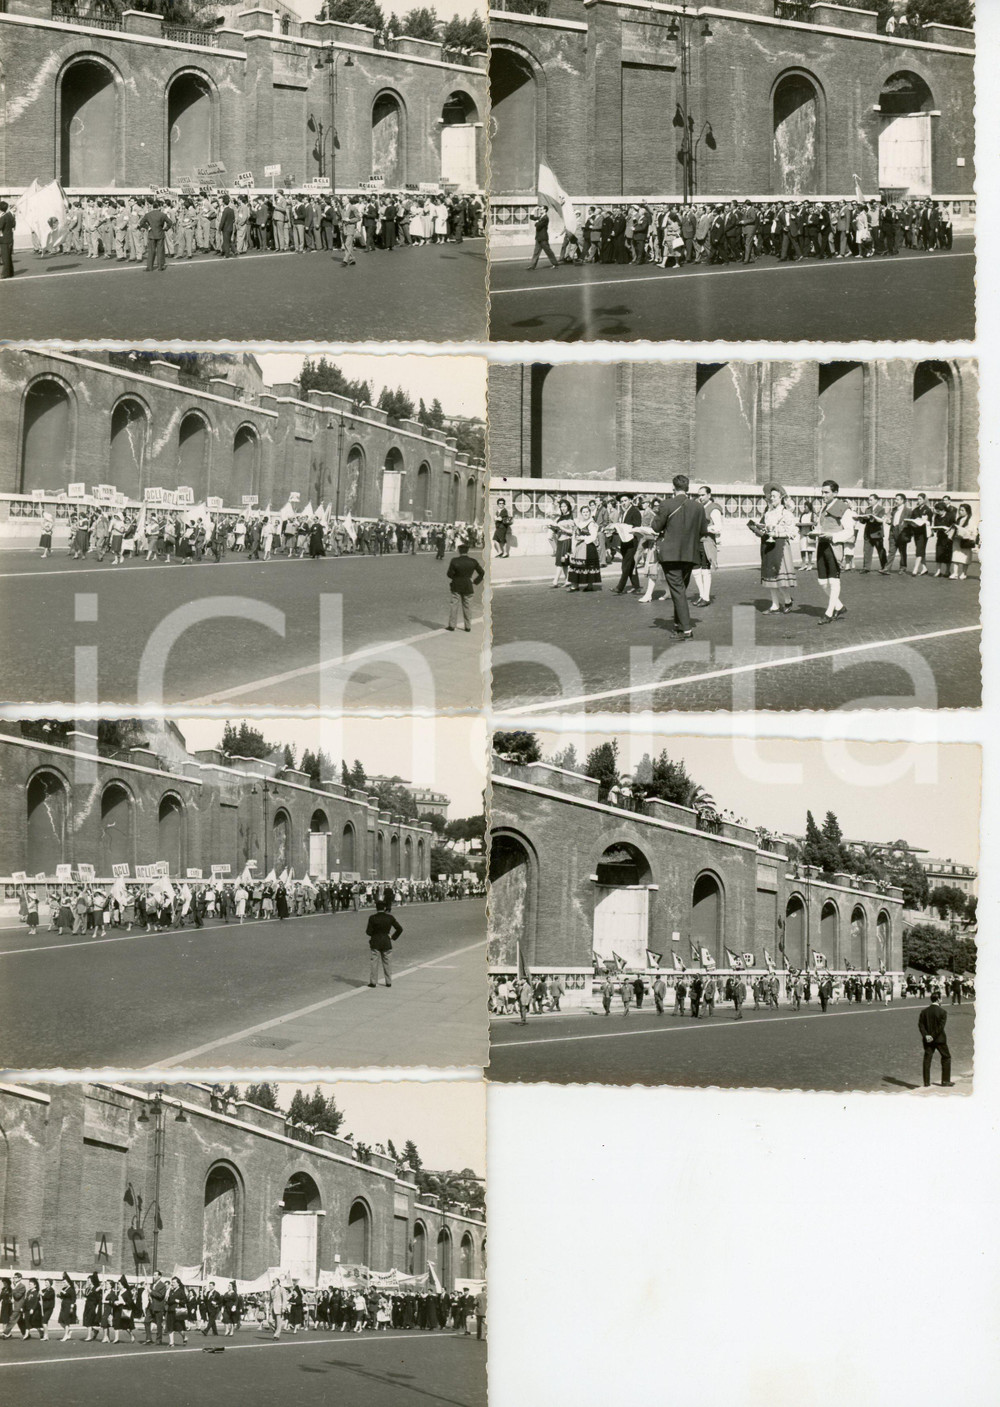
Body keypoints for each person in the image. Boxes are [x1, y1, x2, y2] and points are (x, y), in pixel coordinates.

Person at [650, 474, 708, 637]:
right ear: (687, 488)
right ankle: (679, 624)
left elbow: (655, 527)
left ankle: (686, 629)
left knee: (678, 591)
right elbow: (703, 530)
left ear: (673, 488)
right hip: (690, 555)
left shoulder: (666, 504)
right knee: (680, 590)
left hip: (670, 555)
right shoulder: (698, 507)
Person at [811, 479, 855, 624]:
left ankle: (829, 613)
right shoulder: (824, 508)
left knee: (833, 581)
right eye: (822, 492)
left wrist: (833, 536)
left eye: (826, 492)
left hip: (834, 547)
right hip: (822, 545)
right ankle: (839, 606)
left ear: (835, 493)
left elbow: (849, 531)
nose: (823, 495)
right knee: (822, 582)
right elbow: (821, 526)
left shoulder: (843, 508)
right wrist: (815, 532)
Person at [446, 541, 484, 631]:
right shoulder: (473, 561)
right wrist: (475, 581)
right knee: (468, 607)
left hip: (456, 585)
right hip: (468, 585)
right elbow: (482, 573)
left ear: (459, 551)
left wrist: (456, 577)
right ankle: (468, 626)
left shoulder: (454, 560)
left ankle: (452, 626)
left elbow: (449, 574)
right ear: (467, 551)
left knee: (454, 606)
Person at [918, 991, 953, 1087]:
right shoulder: (942, 1012)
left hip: (927, 1040)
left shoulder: (924, 1012)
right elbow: (940, 1028)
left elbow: (921, 1025)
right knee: (946, 1057)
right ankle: (945, 1081)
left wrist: (926, 1035)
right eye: (941, 998)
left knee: (927, 1059)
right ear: (938, 999)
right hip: (939, 1039)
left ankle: (926, 1082)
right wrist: (933, 1036)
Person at [366, 899, 402, 988]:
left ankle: (373, 982)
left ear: (376, 908)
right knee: (387, 963)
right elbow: (399, 929)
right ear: (384, 908)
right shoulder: (390, 917)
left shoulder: (372, 918)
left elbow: (368, 932)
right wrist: (392, 937)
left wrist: (375, 933)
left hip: (375, 941)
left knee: (374, 963)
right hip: (386, 941)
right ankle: (388, 982)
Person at [137, 201, 172, 272]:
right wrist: (165, 229)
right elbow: (170, 222)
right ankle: (160, 266)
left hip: (151, 234)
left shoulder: (148, 214)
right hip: (160, 233)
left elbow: (141, 223)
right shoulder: (163, 214)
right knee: (160, 251)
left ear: (153, 207)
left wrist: (147, 227)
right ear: (159, 207)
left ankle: (150, 267)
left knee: (151, 251)